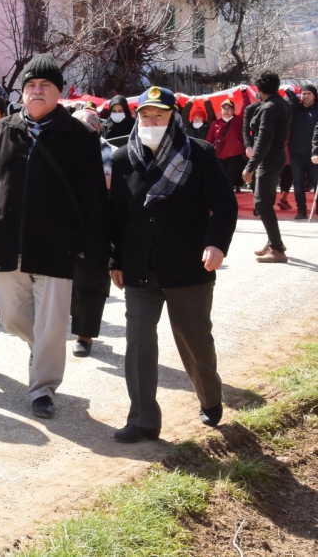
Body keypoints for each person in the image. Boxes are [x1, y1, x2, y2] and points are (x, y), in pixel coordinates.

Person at [0, 54, 109, 418]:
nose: (37, 91)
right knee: (11, 317)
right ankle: (43, 347)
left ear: (58, 92)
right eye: (31, 86)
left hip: (57, 246)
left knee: (53, 322)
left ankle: (42, 389)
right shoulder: (1, 131)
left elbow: (94, 197)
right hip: (7, 242)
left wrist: (96, 248)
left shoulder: (79, 137)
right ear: (22, 92)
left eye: (45, 86)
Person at [109, 86, 238, 442]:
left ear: (173, 118)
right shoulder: (123, 159)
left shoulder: (199, 154)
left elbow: (224, 206)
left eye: (160, 116)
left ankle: (210, 399)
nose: (152, 122)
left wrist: (215, 244)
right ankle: (143, 420)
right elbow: (116, 216)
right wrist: (115, 260)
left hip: (188, 267)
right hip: (140, 269)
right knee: (138, 343)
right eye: (146, 116)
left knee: (194, 339)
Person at [69, 108, 113, 358]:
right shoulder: (61, 150)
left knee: (91, 285)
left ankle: (84, 335)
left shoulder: (111, 156)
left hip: (98, 228)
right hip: (66, 228)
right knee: (69, 284)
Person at [243, 71, 292, 263]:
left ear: (259, 88)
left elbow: (263, 141)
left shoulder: (269, 108)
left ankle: (277, 249)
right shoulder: (283, 104)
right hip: (277, 156)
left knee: (262, 203)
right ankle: (273, 240)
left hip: (268, 158)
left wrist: (250, 165)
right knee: (266, 201)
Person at [286, 85, 318, 219]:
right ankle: (301, 211)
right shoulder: (296, 110)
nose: (305, 96)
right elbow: (288, 107)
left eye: (309, 93)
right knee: (298, 185)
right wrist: (291, 96)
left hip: (314, 155)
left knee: (317, 184)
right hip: (296, 154)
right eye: (303, 93)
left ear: (314, 96)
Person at [205, 99, 246, 191]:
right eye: (224, 108)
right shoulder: (215, 123)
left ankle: (227, 202)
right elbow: (209, 139)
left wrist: (244, 93)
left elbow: (246, 107)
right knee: (218, 180)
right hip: (218, 157)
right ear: (221, 110)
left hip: (234, 158)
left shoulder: (238, 120)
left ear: (233, 111)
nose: (226, 110)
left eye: (229, 108)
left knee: (229, 181)